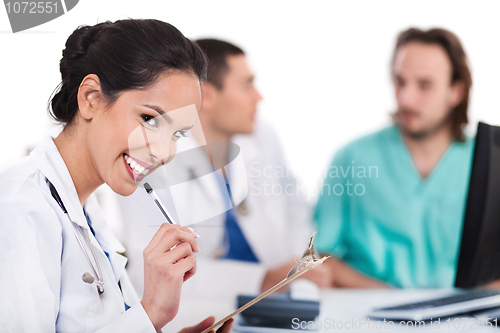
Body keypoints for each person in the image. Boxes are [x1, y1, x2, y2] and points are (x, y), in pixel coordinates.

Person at [0, 19, 232, 333]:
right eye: (150, 119)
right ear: (91, 97)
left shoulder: (88, 211)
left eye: (178, 133)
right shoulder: (19, 208)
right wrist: (150, 313)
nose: (162, 152)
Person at [116, 39, 332, 299]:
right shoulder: (150, 156)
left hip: (279, 300)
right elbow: (150, 266)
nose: (259, 97)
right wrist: (264, 279)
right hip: (199, 307)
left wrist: (300, 269)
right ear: (206, 96)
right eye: (246, 85)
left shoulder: (263, 136)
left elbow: (295, 209)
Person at [315, 27, 474, 288]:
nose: (406, 99)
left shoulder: (489, 166)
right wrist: (390, 301)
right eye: (400, 82)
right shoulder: (351, 158)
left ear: (456, 91)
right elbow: (321, 256)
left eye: (425, 85)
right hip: (370, 320)